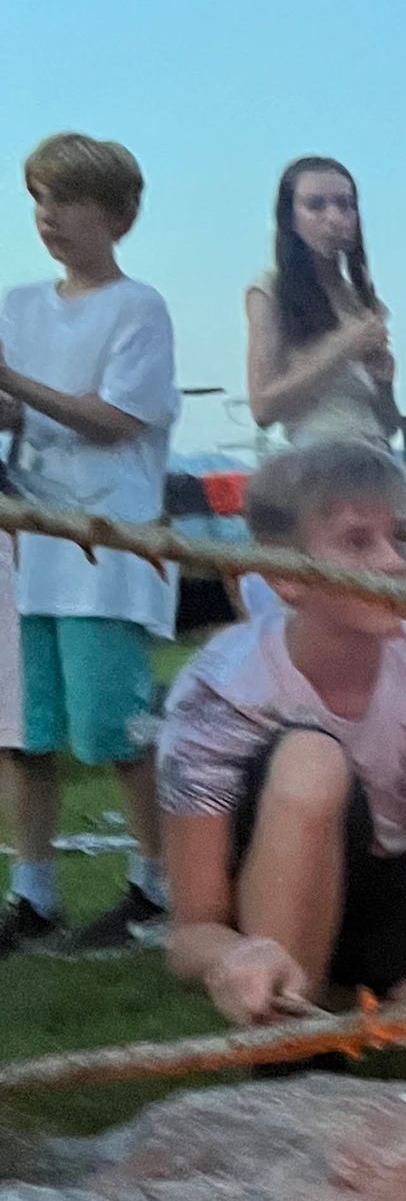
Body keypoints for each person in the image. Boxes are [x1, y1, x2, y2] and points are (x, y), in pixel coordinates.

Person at [159, 440, 406, 1037]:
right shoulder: (223, 693)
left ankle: (343, 1022)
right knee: (313, 760)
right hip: (266, 888)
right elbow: (192, 928)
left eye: (401, 537)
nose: (394, 563)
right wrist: (228, 957)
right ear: (286, 577)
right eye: (356, 541)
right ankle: (285, 1046)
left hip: (387, 884)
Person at [0, 135, 178, 957]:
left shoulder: (138, 306)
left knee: (113, 729)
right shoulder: (17, 305)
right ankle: (33, 895)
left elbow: (116, 419)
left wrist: (16, 386)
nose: (48, 216)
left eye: (67, 200)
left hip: (106, 550)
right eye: (39, 197)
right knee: (20, 730)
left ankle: (157, 888)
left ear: (120, 216)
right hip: (24, 546)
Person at [246, 158, 400, 450]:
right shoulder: (269, 292)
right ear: (290, 218)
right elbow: (263, 408)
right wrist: (344, 348)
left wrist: (384, 382)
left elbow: (389, 425)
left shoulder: (362, 301)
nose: (334, 218)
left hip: (374, 458)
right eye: (315, 206)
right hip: (318, 464)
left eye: (345, 205)